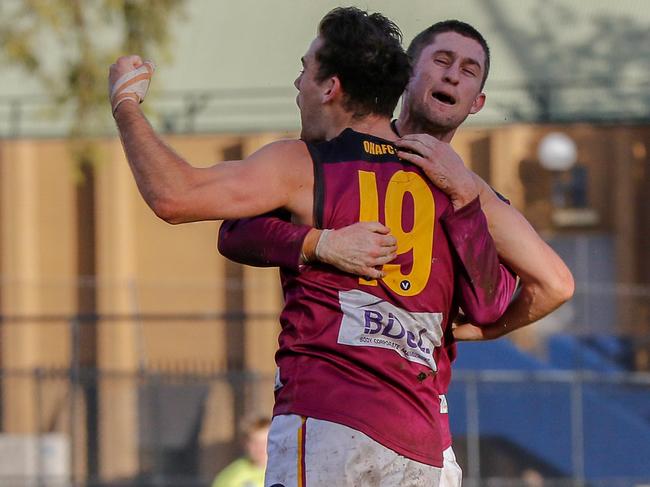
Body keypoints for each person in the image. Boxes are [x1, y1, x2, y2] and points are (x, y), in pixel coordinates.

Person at [109, 8, 517, 486]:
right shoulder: (454, 187)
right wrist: (317, 243)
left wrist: (125, 103)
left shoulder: (306, 164)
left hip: (331, 422)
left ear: (330, 88)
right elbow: (540, 287)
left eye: (305, 69)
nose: (298, 82)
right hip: (425, 448)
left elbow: (174, 196)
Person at [217, 19, 575, 487]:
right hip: (333, 412)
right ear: (406, 75)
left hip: (421, 434)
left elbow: (551, 285)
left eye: (469, 71)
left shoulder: (470, 196)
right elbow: (237, 231)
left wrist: (479, 331)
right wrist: (318, 243)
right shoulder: (336, 155)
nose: (452, 76)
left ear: (478, 102)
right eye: (441, 61)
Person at [212, 416, 270, 487]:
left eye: (265, 441)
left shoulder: (284, 472)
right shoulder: (231, 476)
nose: (260, 447)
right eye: (255, 442)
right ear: (245, 443)